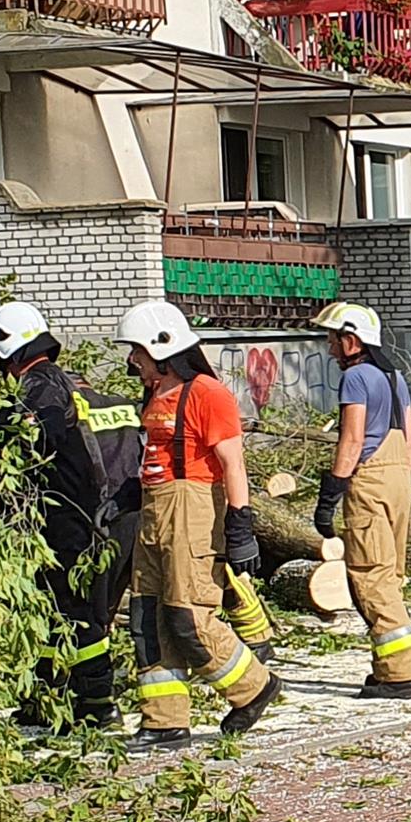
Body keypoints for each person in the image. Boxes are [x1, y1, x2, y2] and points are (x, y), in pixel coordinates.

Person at [118, 300, 283, 741]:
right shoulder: (156, 395)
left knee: (188, 616)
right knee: (147, 616)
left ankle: (254, 687)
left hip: (192, 512)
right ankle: (164, 719)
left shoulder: (207, 394)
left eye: (138, 350)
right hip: (156, 514)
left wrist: (240, 524)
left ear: (163, 347)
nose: (133, 360)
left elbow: (233, 464)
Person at [0, 302, 138, 736]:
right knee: (72, 613)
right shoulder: (89, 391)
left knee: (75, 615)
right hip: (122, 518)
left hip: (76, 522)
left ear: (8, 352)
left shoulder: (38, 388)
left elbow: (31, 444)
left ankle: (99, 707)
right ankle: (50, 700)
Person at [311, 301, 411, 701]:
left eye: (332, 339)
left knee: (370, 576)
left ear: (351, 340)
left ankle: (400, 674)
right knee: (390, 575)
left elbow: (352, 439)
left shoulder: (356, 378)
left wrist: (331, 494)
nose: (329, 349)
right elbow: (410, 440)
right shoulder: (395, 377)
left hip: (370, 480)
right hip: (399, 479)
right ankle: (387, 667)